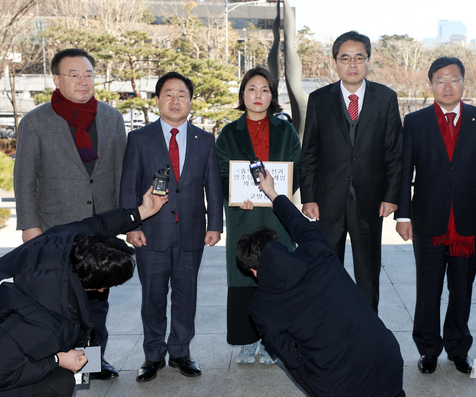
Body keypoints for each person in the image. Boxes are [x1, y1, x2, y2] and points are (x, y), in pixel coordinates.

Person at [0, 186, 167, 397]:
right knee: (59, 382)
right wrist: (57, 359)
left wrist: (142, 211)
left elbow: (100, 224)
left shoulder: (64, 239)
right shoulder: (48, 321)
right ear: (101, 288)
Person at [236, 170, 405, 397]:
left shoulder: (261, 308)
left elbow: (293, 361)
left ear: (254, 271)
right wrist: (272, 192)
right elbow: (298, 223)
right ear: (279, 245)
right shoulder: (317, 249)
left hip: (343, 386)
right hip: (389, 363)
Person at [13, 48, 127, 380]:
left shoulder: (111, 117)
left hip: (100, 232)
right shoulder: (36, 121)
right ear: (56, 79)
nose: (83, 81)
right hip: (55, 230)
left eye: (88, 74)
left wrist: (123, 223)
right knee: (60, 302)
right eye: (74, 75)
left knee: (97, 303)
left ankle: (92, 362)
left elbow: (120, 175)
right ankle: (61, 360)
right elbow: (24, 178)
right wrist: (30, 226)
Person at [395, 57, 476, 374]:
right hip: (429, 219)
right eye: (440, 80)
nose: (447, 86)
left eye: (453, 79)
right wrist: (403, 215)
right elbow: (404, 173)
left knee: (462, 289)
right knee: (428, 289)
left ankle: (458, 348)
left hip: (468, 220)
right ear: (431, 85)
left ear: (463, 83)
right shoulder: (415, 122)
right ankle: (429, 349)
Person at [119, 71, 223, 382]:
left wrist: (215, 224)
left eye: (182, 94)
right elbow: (128, 187)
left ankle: (180, 352)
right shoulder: (139, 138)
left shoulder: (204, 139)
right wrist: (131, 226)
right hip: (150, 233)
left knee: (185, 295)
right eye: (168, 94)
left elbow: (213, 186)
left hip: (191, 231)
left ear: (191, 101)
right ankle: (153, 356)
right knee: (152, 297)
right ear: (157, 100)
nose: (175, 100)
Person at [300, 31, 403, 312]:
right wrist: (308, 197)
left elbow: (395, 153)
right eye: (345, 58)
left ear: (368, 61)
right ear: (335, 63)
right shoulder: (320, 99)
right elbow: (309, 152)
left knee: (367, 277)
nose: (352, 63)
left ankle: (368, 339)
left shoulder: (385, 98)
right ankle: (330, 335)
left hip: (370, 201)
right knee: (326, 272)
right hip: (327, 201)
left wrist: (391, 195)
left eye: (359, 57)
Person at [215, 67, 301, 364]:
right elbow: (222, 173)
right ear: (243, 94)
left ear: (272, 96)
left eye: (265, 89)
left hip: (278, 214)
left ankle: (272, 341)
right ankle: (245, 339)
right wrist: (238, 196)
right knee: (243, 277)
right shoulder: (229, 132)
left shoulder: (285, 130)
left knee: (277, 278)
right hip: (244, 215)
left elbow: (296, 168)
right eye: (252, 88)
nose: (258, 95)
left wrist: (279, 192)